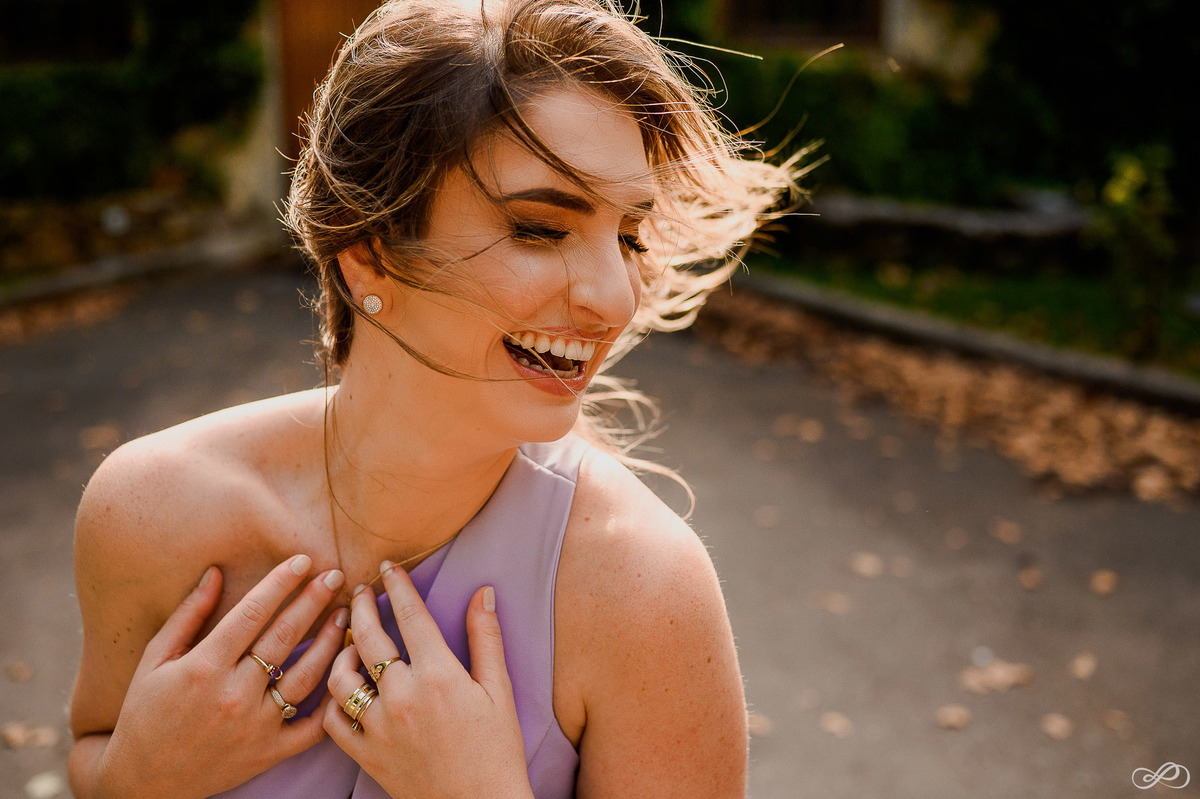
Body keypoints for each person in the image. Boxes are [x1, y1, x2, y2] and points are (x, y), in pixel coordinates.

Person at [67, 1, 800, 796]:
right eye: (542, 229)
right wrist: (135, 774)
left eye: (628, 235)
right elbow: (92, 749)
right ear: (366, 250)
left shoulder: (645, 591)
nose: (614, 297)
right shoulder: (146, 512)